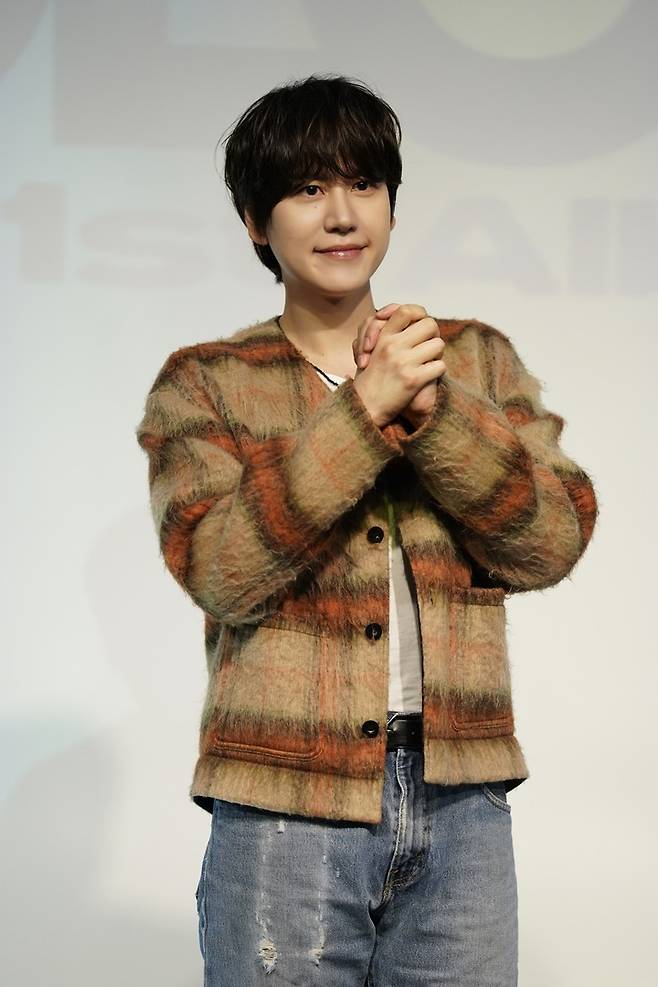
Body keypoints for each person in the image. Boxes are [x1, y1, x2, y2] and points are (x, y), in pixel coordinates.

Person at [135, 73, 598, 986]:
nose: (342, 214)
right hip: (283, 806)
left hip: (463, 802)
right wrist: (363, 412)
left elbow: (552, 540)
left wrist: (438, 414)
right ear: (255, 220)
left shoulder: (470, 359)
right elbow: (221, 570)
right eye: (308, 188)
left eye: (363, 184)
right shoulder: (205, 382)